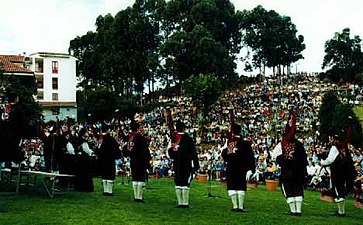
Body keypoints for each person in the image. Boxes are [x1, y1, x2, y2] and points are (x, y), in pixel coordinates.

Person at [272, 109, 308, 216]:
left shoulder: (281, 144)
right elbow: (304, 159)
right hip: (299, 171)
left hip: (287, 171)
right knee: (298, 190)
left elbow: (274, 156)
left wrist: (282, 161)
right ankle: (298, 211)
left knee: (288, 189)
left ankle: (293, 210)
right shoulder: (299, 145)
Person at [321, 118, 356, 217]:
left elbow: (330, 160)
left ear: (332, 138)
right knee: (341, 193)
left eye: (330, 138)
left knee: (339, 192)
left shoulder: (334, 147)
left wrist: (322, 162)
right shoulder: (343, 146)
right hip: (346, 172)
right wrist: (349, 124)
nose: (329, 139)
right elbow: (348, 135)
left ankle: (341, 212)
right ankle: (341, 212)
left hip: (338, 172)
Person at [222, 123, 255, 212]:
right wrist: (251, 169)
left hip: (231, 167)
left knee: (232, 186)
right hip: (242, 168)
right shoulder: (245, 143)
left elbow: (224, 156)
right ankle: (240, 206)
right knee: (240, 186)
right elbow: (251, 157)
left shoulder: (229, 143)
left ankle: (235, 206)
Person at [168, 120, 199, 208]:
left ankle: (180, 202)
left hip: (177, 164)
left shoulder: (174, 139)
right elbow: (193, 152)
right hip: (186, 164)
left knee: (178, 183)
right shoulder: (188, 139)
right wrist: (196, 165)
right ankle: (185, 203)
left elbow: (170, 153)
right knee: (185, 183)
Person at [122, 121, 151, 202]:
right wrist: (148, 159)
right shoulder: (140, 138)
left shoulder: (130, 137)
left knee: (135, 178)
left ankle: (135, 196)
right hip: (140, 161)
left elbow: (126, 150)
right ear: (138, 128)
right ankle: (139, 197)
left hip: (133, 160)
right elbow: (145, 150)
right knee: (140, 178)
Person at [95, 124, 119, 196]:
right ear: (108, 130)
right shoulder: (111, 139)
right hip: (110, 159)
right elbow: (116, 149)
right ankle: (109, 191)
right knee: (110, 174)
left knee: (104, 175)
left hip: (102, 160)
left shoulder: (100, 139)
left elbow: (97, 149)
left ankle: (105, 190)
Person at [74, 128, 95, 192]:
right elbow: (86, 149)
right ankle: (86, 187)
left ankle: (80, 187)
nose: (88, 133)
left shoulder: (79, 140)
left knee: (81, 174)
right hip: (84, 159)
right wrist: (92, 153)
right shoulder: (83, 141)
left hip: (80, 159)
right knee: (86, 174)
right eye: (86, 132)